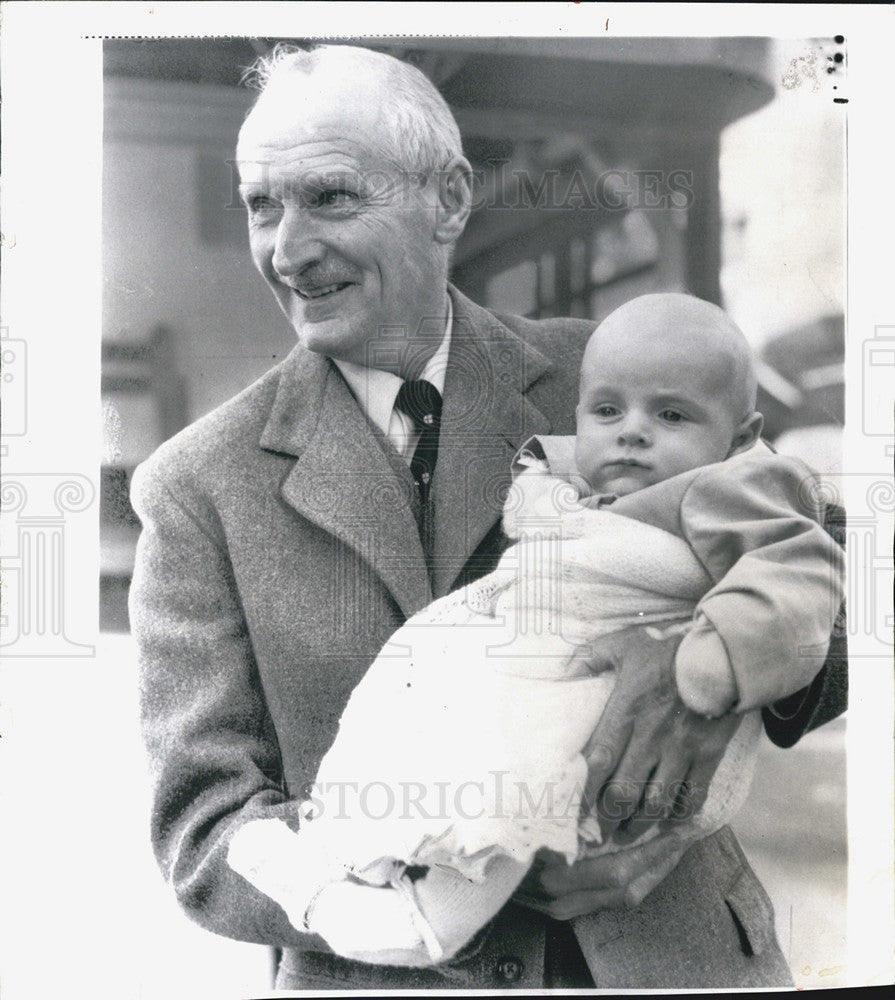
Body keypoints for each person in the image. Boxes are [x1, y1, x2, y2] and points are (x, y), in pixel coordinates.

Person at [130, 43, 847, 990]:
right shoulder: (196, 486)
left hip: (669, 962)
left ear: (450, 199)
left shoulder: (621, 383)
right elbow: (205, 826)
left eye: (333, 197)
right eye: (263, 204)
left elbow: (832, 589)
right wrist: (441, 862)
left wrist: (696, 690)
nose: (288, 249)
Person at [226, 293, 844, 970]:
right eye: (606, 412)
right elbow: (203, 810)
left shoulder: (631, 359)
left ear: (448, 196)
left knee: (431, 916)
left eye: (669, 416)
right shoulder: (198, 479)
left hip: (655, 930)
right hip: (404, 839)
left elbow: (822, 568)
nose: (631, 430)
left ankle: (336, 896)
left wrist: (703, 674)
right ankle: (331, 873)